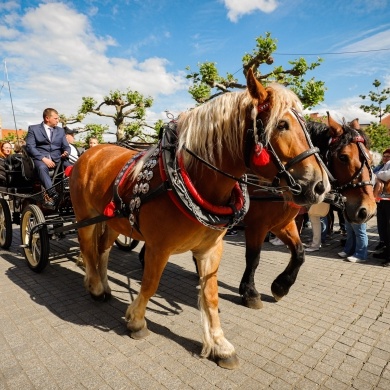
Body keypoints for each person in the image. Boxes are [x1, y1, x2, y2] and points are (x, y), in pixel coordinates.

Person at [26, 108, 71, 208]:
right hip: (40, 159)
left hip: (59, 159)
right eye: (56, 118)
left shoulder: (60, 131)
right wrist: (43, 158)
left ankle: (73, 192)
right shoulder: (33, 129)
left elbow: (66, 146)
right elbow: (30, 147)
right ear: (47, 118)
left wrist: (66, 152)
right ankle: (52, 194)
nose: (58, 120)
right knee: (42, 168)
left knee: (72, 167)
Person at [372, 149, 390, 266]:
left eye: (388, 156)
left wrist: (377, 176)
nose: (385, 158)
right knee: (384, 226)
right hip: (383, 200)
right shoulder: (384, 165)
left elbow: (386, 175)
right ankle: (386, 251)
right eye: (385, 156)